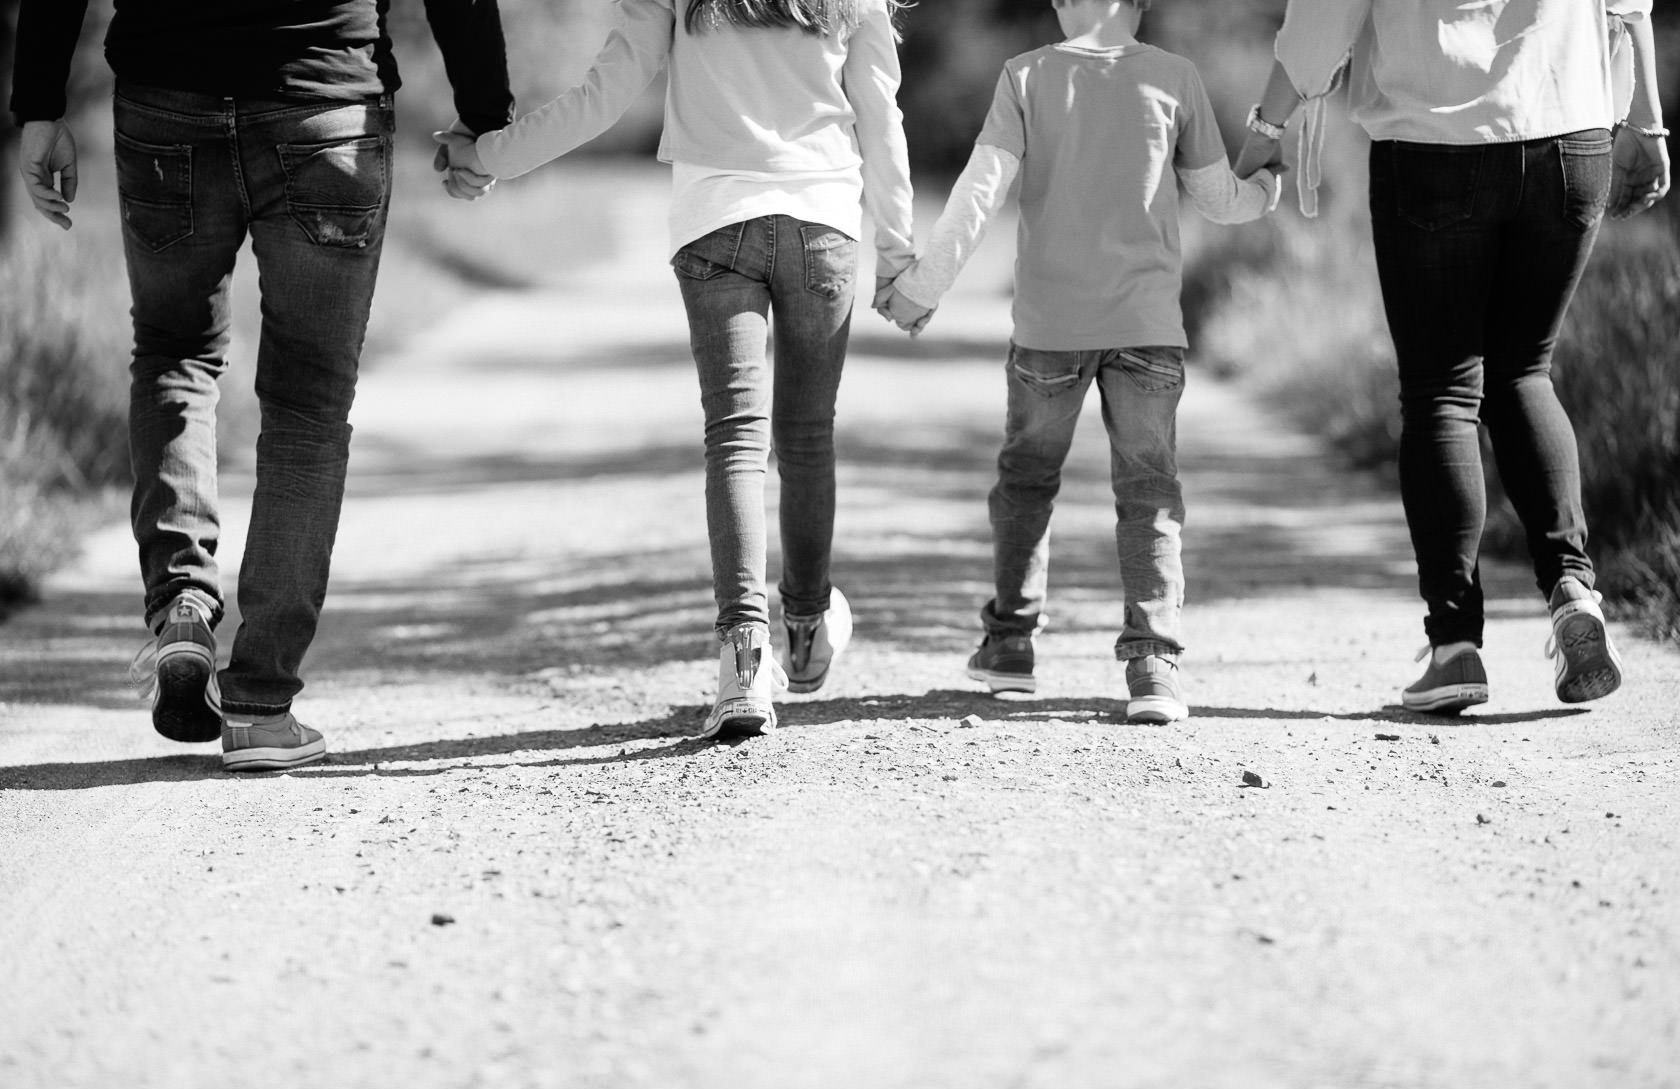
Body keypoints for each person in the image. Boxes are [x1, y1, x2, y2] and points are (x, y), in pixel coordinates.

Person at [10, 0, 514, 769]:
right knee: (308, 404)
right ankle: (259, 705)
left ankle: (182, 602)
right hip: (327, 104)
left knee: (175, 354)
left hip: (165, 98)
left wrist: (39, 104)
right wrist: (485, 112)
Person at [435, 0, 915, 738]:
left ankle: (744, 659)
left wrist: (488, 155)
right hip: (823, 224)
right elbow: (879, 113)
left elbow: (602, 97)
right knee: (807, 435)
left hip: (717, 221)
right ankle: (810, 624)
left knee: (735, 439)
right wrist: (901, 249)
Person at [1232, 0, 1670, 714]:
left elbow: (1319, 31)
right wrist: (1649, 124)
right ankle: (1572, 587)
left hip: (1432, 144)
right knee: (1526, 371)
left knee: (1442, 391)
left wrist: (1265, 127)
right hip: (1571, 134)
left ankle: (1455, 646)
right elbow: (1629, 4)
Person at [879, 0, 1279, 724]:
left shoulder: (1025, 77)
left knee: (1027, 479)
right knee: (1150, 491)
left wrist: (920, 288)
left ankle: (1009, 645)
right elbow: (1219, 201)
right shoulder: (1175, 78)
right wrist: (1269, 186)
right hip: (1148, 330)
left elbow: (979, 193)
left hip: (1050, 330)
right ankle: (1154, 664)